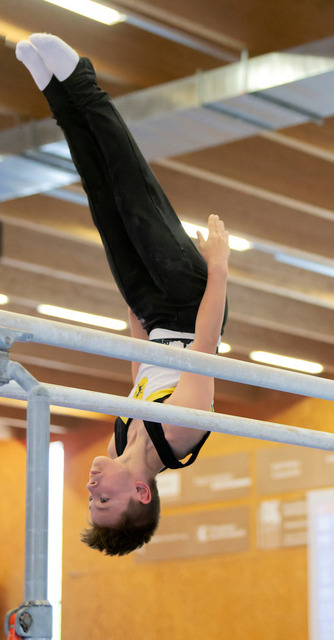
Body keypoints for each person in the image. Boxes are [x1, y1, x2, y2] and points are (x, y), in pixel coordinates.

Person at [15, 34, 229, 556]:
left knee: (102, 199)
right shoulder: (179, 436)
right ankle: (80, 82)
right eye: (104, 501)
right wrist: (220, 268)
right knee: (131, 188)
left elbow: (143, 372)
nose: (92, 489)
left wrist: (134, 309)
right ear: (140, 492)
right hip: (189, 300)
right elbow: (204, 349)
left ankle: (58, 98)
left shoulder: (120, 439)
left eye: (91, 501)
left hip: (151, 313)